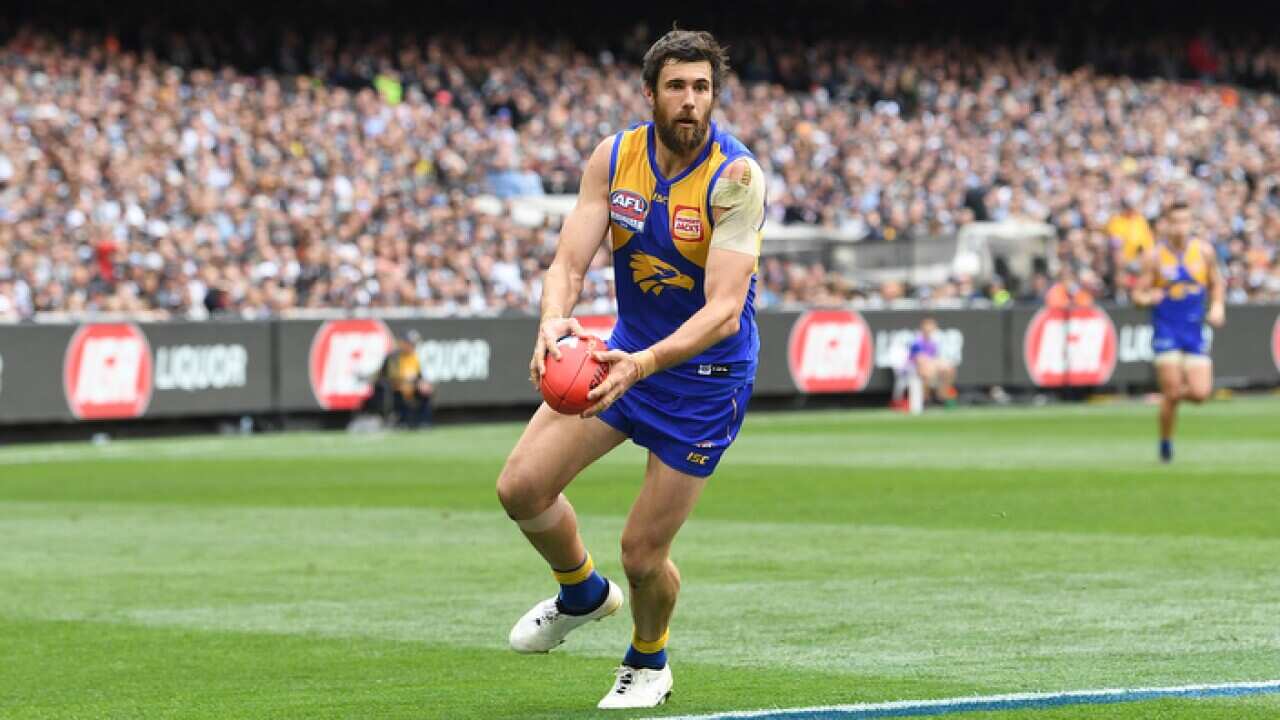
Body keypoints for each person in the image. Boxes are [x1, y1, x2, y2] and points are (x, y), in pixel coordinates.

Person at [494, 28, 765, 710]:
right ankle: (582, 593)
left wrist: (641, 364)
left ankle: (649, 660)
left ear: (714, 96)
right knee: (521, 487)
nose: (690, 101)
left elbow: (725, 311)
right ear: (650, 94)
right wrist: (555, 318)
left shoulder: (736, 178)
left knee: (643, 556)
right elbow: (568, 262)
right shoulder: (615, 157)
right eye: (676, 86)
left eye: (701, 88)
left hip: (701, 381)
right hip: (621, 355)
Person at [1132, 202, 1225, 462]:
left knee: (1200, 393)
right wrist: (1148, 297)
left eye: (1185, 221)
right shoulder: (1155, 256)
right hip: (1167, 331)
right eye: (1175, 222)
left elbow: (1216, 283)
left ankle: (1164, 400)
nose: (1180, 227)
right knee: (1172, 391)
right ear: (1166, 224)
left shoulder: (1204, 252)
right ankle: (1165, 443)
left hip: (1194, 331)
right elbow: (1137, 294)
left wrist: (1217, 306)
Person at [908, 317, 957, 405]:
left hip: (931, 366)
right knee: (926, 370)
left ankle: (941, 397)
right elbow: (919, 359)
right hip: (914, 367)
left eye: (932, 326)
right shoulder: (916, 341)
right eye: (927, 326)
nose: (929, 329)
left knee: (948, 369)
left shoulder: (935, 342)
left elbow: (937, 358)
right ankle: (925, 399)